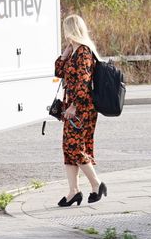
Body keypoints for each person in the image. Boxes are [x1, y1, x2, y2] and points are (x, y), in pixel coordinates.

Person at [54, 14, 108, 207]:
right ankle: (74, 191)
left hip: (82, 108)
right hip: (73, 107)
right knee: (68, 149)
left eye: (65, 28)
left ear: (70, 29)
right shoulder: (74, 51)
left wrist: (74, 105)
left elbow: (84, 83)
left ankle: (97, 184)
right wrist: (65, 54)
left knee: (76, 148)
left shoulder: (84, 52)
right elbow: (58, 72)